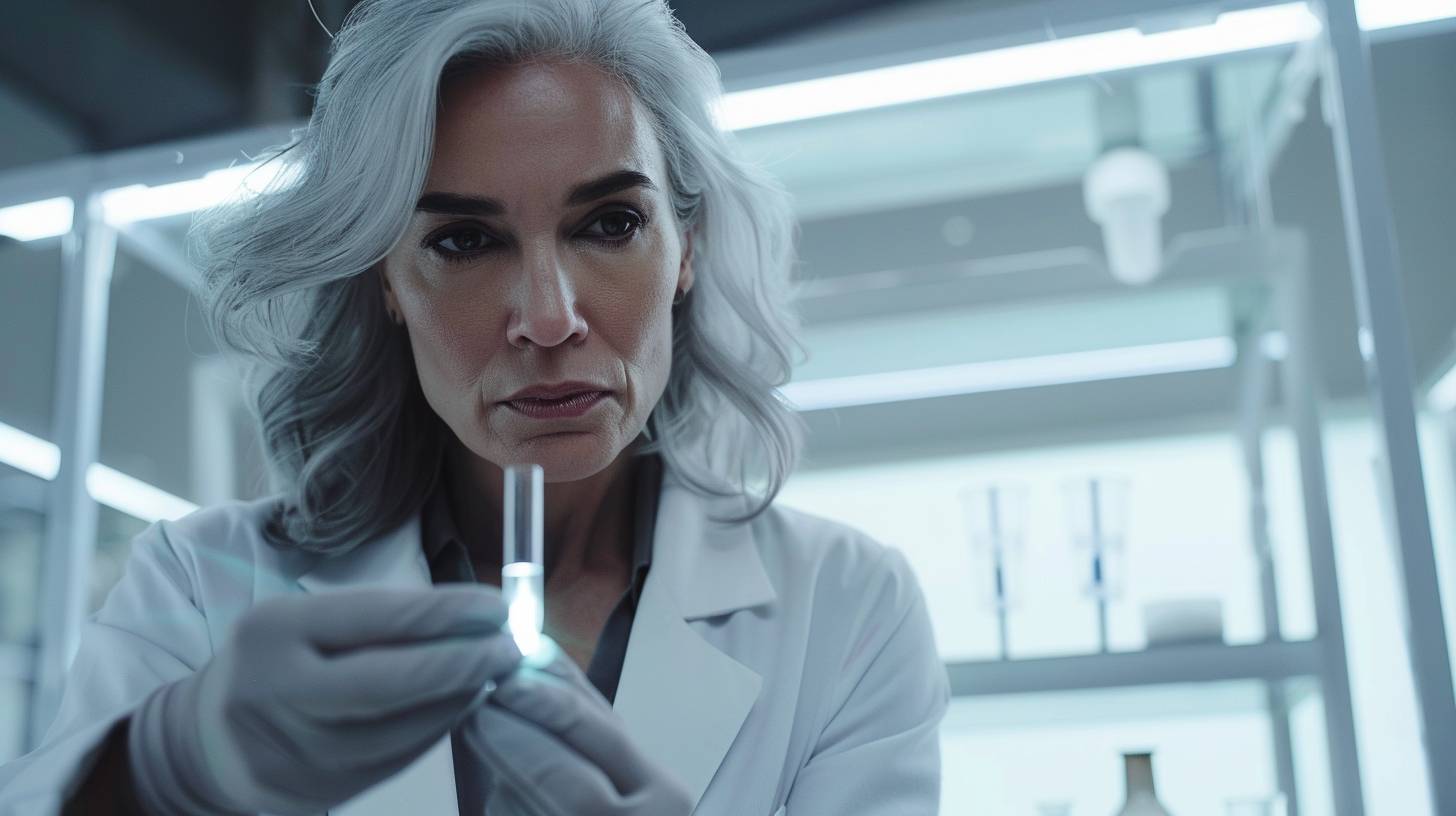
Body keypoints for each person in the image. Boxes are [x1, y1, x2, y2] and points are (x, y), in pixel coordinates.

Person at [0, 0, 950, 813]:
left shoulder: (849, 606)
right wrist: (160, 773)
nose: (548, 317)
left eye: (611, 223)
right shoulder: (203, 584)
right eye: (463, 240)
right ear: (385, 277)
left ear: (686, 247)